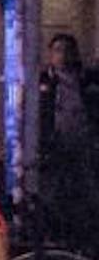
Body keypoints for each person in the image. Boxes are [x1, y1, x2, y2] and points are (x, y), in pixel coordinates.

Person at [38, 33, 99, 240]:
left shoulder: (85, 79)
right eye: (57, 50)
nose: (62, 55)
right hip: (57, 144)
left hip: (82, 142)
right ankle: (57, 234)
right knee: (55, 191)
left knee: (86, 189)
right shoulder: (46, 80)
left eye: (66, 50)